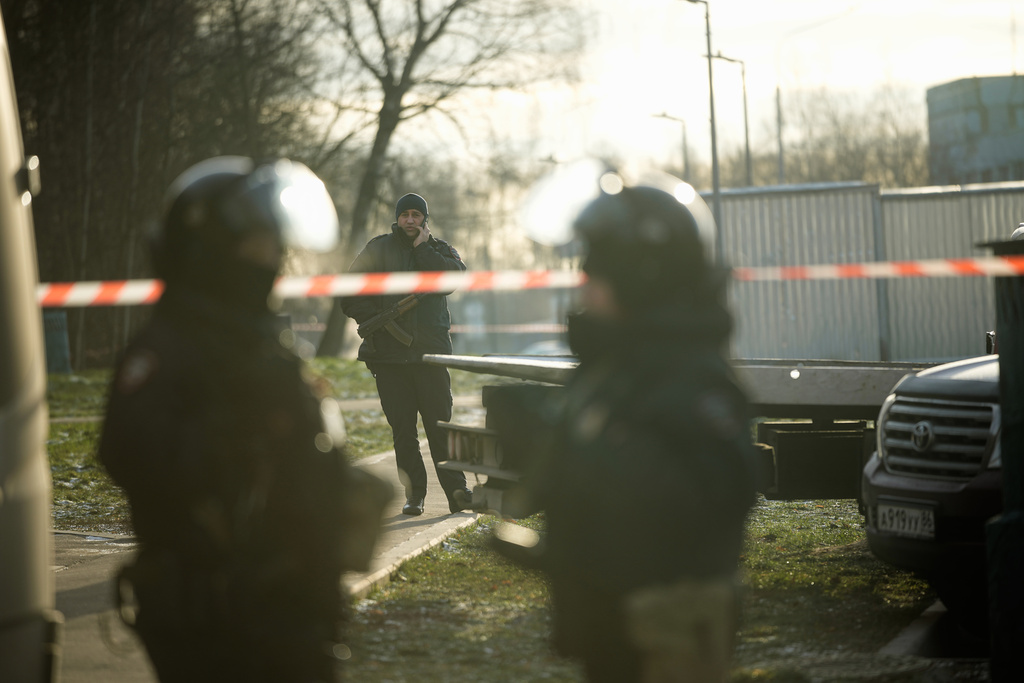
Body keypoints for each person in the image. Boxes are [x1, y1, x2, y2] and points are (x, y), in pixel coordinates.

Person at [99, 157, 390, 683]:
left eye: (277, 247)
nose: (274, 262)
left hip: (291, 613)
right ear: (210, 250)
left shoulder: (254, 342)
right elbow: (131, 452)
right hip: (220, 622)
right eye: (259, 247)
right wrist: (232, 437)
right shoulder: (167, 349)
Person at [493, 179, 759, 683]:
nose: (584, 284)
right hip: (613, 634)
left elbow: (709, 504)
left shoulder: (691, 376)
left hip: (664, 646)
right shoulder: (619, 365)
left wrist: (594, 453)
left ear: (644, 278)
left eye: (598, 270)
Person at [341, 193, 472, 516]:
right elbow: (348, 292)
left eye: (416, 215)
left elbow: (451, 280)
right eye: (405, 215)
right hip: (388, 358)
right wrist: (376, 320)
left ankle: (457, 492)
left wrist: (423, 250)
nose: (410, 220)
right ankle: (415, 495)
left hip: (431, 357)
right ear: (397, 219)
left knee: (440, 427)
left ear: (424, 220)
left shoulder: (439, 250)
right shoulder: (378, 248)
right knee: (403, 431)